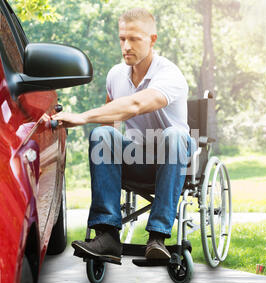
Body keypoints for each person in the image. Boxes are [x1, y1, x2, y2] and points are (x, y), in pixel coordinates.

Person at [52, 8, 195, 263]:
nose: (126, 46)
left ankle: (158, 238)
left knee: (175, 135)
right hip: (135, 160)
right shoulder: (116, 75)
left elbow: (136, 105)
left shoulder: (169, 74)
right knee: (103, 133)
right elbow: (112, 116)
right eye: (122, 39)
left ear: (152, 39)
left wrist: (83, 116)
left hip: (171, 164)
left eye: (134, 39)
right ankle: (107, 235)